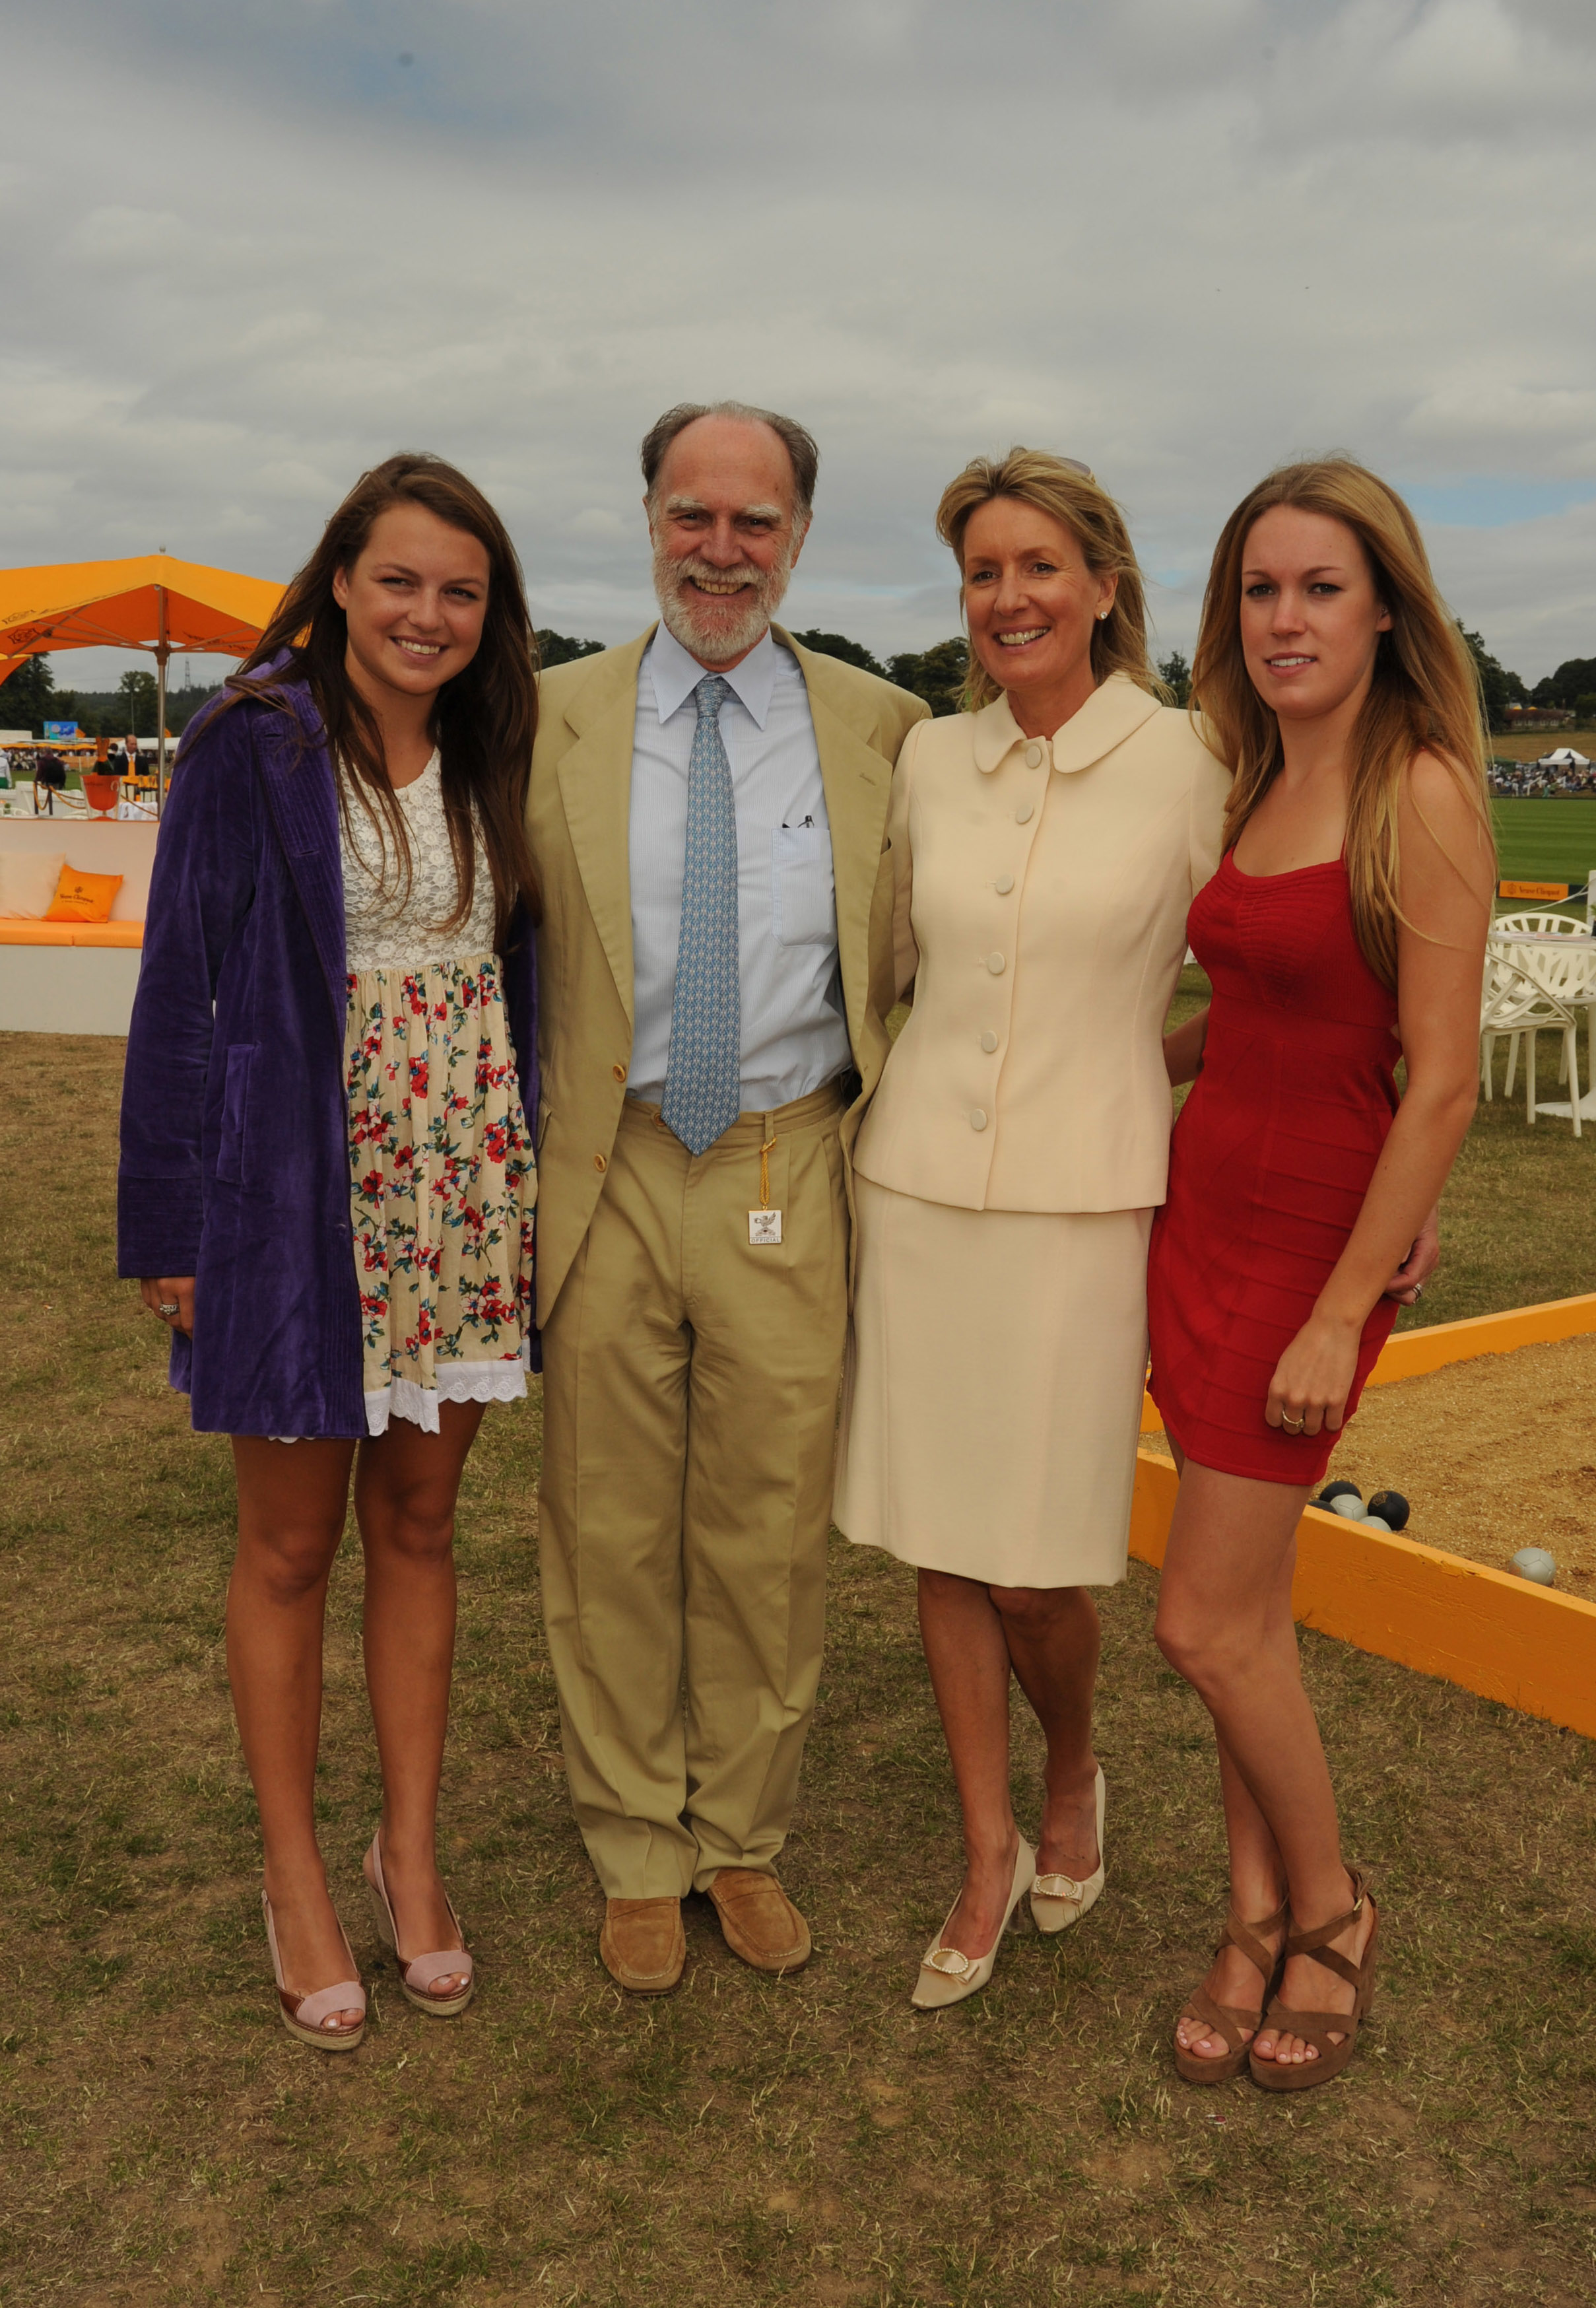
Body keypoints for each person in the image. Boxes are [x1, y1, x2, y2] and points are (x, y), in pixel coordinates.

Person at [118, 454, 540, 2051]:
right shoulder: (253, 741)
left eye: (461, 589)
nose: (428, 614)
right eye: (401, 580)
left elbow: (528, 983)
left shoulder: (503, 740)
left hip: (463, 1183)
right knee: (292, 1546)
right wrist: (172, 1222)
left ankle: (407, 1852)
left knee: (422, 1524)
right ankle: (296, 1872)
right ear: (342, 581)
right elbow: (180, 987)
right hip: (295, 1187)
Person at [527, 400, 927, 1994]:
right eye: (693, 516)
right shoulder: (543, 715)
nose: (722, 551)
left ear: (801, 539)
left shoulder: (885, 728)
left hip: (788, 1156)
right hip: (611, 1160)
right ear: (646, 518)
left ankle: (740, 1835)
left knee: (765, 1525)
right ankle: (635, 1838)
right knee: (609, 1521)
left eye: (754, 523)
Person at [832, 450, 1233, 2006]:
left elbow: (1260, 977)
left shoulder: (1195, 759)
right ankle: (988, 1842)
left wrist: (1149, 1060)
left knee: (1036, 1566)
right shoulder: (932, 760)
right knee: (941, 1536)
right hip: (917, 1187)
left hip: (1085, 1206)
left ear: (1106, 586)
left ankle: (1075, 1762)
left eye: (1040, 567)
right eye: (985, 572)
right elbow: (887, 974)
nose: (1011, 597)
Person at [1148, 459, 1488, 2090]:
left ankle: (1337, 1909)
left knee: (1201, 1623)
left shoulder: (1415, 788)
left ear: (1384, 607)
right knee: (1254, 1609)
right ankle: (1250, 1905)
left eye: (1320, 589)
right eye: (1262, 590)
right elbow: (1266, 1007)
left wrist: (1349, 1300)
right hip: (1199, 1215)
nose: (1286, 619)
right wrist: (1125, 1060)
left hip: (1310, 1252)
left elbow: (1438, 1078)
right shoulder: (1247, 774)